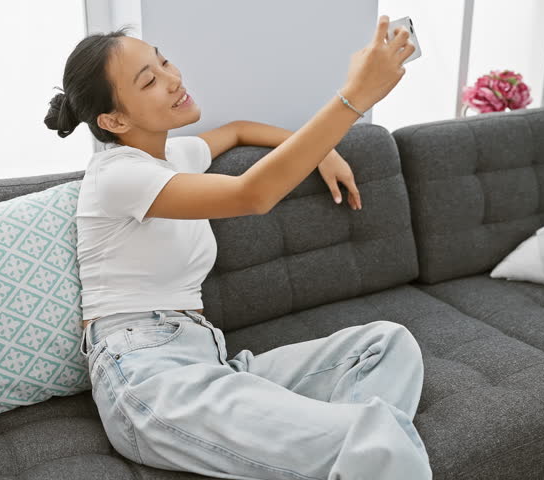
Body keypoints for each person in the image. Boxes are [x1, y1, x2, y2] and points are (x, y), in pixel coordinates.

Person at [43, 14, 430, 480]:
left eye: (163, 61)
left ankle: (344, 453)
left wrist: (324, 152)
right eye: (149, 80)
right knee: (376, 439)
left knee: (387, 344)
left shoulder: (175, 156)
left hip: (207, 358)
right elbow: (253, 195)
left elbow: (240, 130)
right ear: (114, 119)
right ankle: (360, 448)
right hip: (150, 377)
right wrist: (354, 98)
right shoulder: (116, 175)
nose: (172, 78)